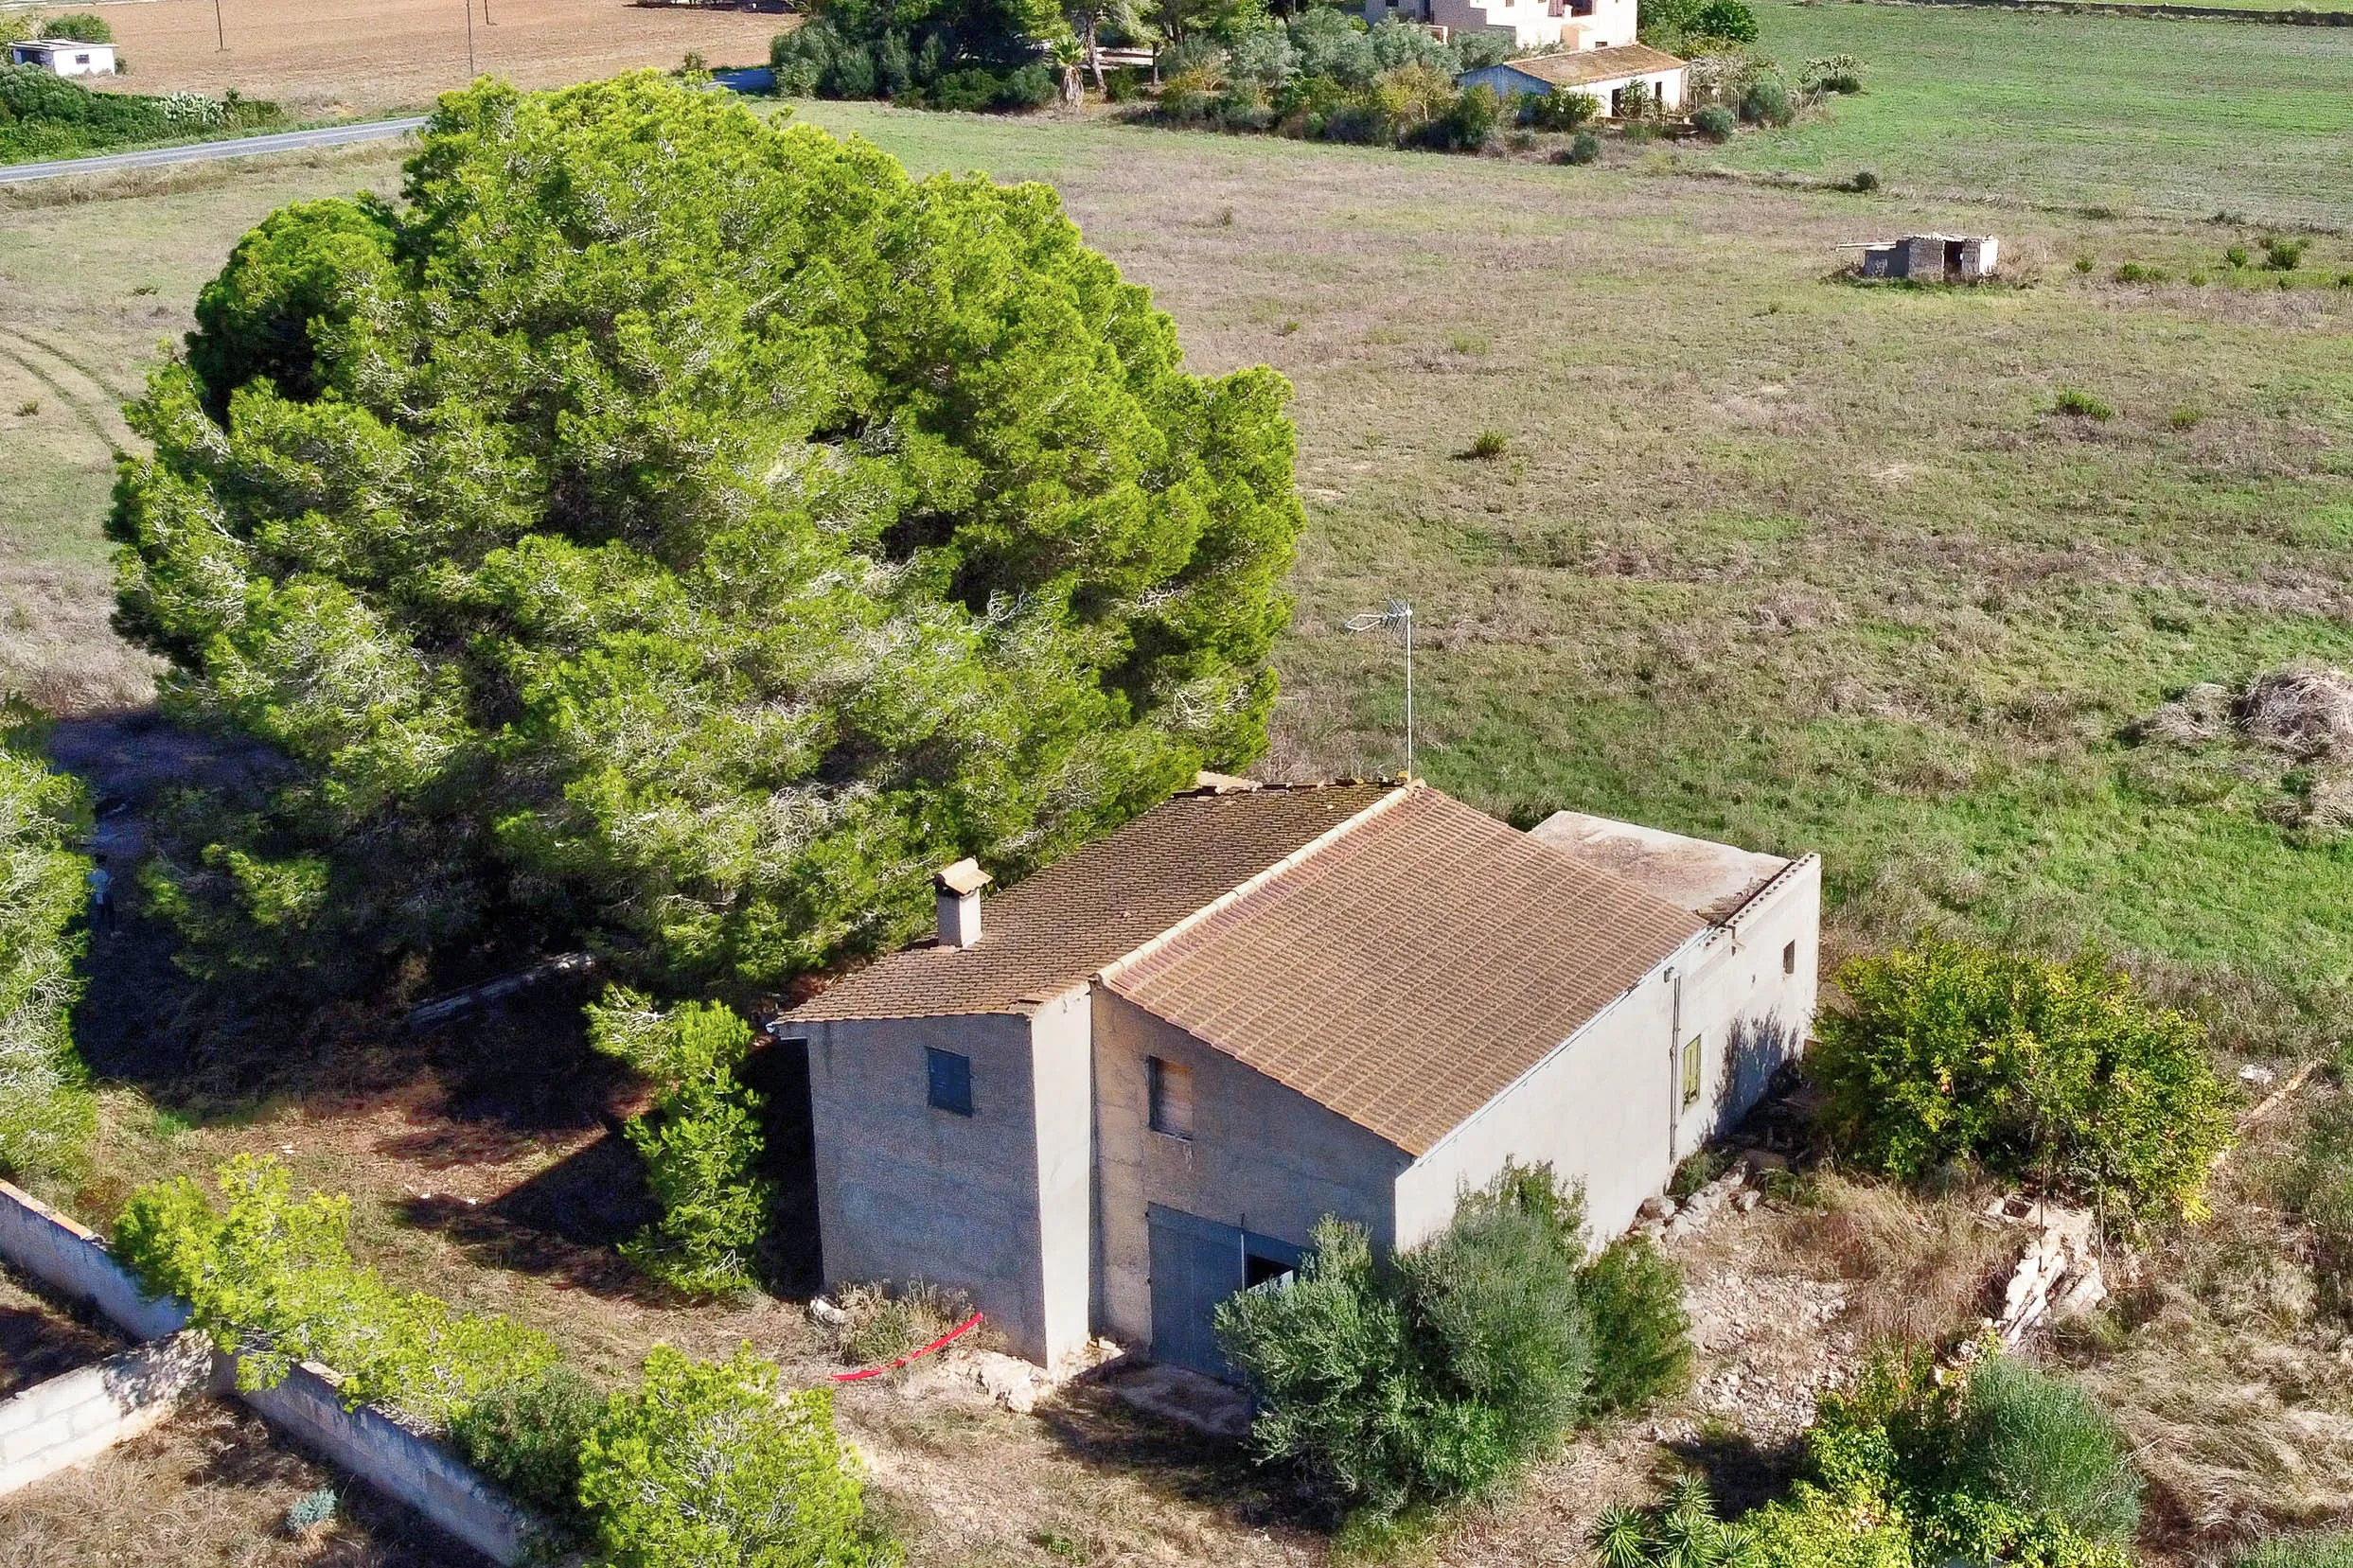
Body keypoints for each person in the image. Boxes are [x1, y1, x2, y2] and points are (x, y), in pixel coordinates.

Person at [87, 854, 113, 934]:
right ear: (102, 863)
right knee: (109, 911)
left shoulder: (90, 872)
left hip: (94, 894)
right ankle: (110, 930)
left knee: (96, 911)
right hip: (103, 893)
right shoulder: (102, 872)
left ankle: (94, 930)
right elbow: (106, 882)